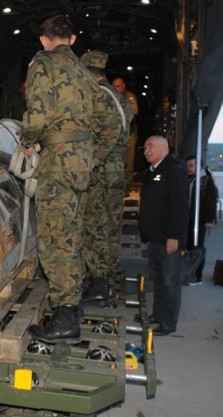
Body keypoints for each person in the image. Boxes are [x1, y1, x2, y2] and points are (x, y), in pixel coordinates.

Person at [19, 14, 98, 344]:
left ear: (43, 39)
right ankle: (73, 305)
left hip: (58, 161)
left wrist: (26, 139)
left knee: (54, 240)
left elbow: (38, 112)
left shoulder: (43, 63)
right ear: (73, 39)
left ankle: (65, 317)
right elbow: (99, 114)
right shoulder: (83, 69)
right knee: (73, 233)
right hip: (82, 161)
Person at [79, 50, 130, 303]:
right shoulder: (120, 99)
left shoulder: (97, 95)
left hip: (100, 173)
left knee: (94, 227)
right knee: (109, 228)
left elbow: (105, 133)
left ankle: (99, 282)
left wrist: (93, 158)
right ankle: (109, 278)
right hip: (117, 171)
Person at [138, 135, 189, 336]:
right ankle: (158, 314)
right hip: (156, 237)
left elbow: (180, 206)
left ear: (163, 147)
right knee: (158, 278)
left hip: (169, 239)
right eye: (144, 148)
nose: (146, 151)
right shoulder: (154, 171)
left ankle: (168, 322)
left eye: (150, 146)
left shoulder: (174, 170)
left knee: (170, 280)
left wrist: (174, 235)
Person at [185, 155, 218, 285]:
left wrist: (209, 219)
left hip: (199, 220)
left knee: (197, 248)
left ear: (199, 166)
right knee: (189, 247)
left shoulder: (205, 180)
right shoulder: (189, 179)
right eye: (187, 166)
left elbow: (211, 201)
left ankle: (197, 276)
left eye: (191, 166)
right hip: (188, 219)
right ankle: (189, 272)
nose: (189, 168)